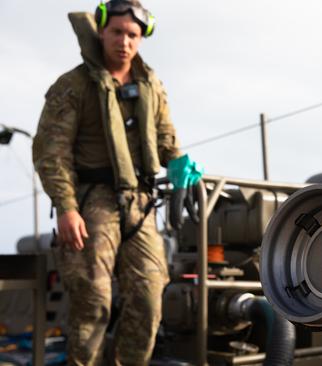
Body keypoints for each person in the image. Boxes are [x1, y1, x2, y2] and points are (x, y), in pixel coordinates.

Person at [32, 1, 201, 364]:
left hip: (140, 204)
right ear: (102, 31)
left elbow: (166, 139)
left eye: (133, 35)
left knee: (148, 297)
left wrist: (180, 165)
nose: (124, 41)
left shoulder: (150, 85)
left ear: (141, 39)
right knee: (92, 302)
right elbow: (52, 152)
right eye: (117, 32)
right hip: (92, 203)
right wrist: (67, 207)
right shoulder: (73, 85)